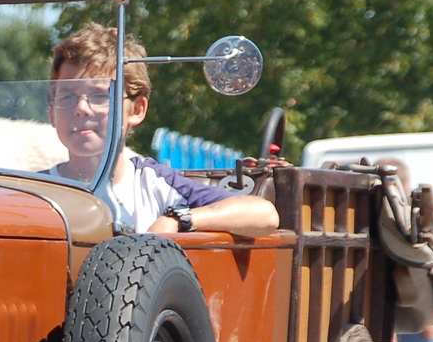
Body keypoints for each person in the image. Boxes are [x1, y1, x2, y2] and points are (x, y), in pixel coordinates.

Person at [47, 24, 278, 238]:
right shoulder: (34, 189)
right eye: (67, 96)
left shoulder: (154, 183)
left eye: (100, 95)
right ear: (51, 112)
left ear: (137, 109)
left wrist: (178, 219)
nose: (81, 108)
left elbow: (263, 214)